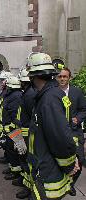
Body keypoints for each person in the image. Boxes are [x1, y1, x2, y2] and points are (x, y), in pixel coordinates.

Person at [26, 52, 79, 199]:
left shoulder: (48, 99)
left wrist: (69, 165)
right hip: (48, 165)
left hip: (48, 169)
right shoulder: (52, 94)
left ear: (33, 76)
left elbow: (60, 137)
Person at [56, 67, 86, 196]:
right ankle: (63, 183)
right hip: (58, 132)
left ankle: (71, 184)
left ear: (69, 78)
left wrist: (77, 119)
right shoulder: (53, 92)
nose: (62, 79)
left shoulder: (77, 92)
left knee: (79, 158)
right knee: (60, 160)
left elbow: (83, 109)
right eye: (60, 76)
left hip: (74, 131)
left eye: (65, 76)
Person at [13, 69, 37, 199]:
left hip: (26, 133)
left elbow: (30, 116)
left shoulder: (29, 95)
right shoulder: (27, 92)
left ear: (23, 82)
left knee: (26, 160)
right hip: (23, 130)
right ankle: (25, 182)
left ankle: (28, 188)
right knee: (22, 158)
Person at [0, 71, 12, 165]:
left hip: (7, 122)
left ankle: (8, 158)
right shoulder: (4, 91)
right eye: (1, 80)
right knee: (4, 140)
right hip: (2, 120)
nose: (1, 82)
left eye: (3, 80)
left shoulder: (8, 92)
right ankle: (6, 156)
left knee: (7, 142)